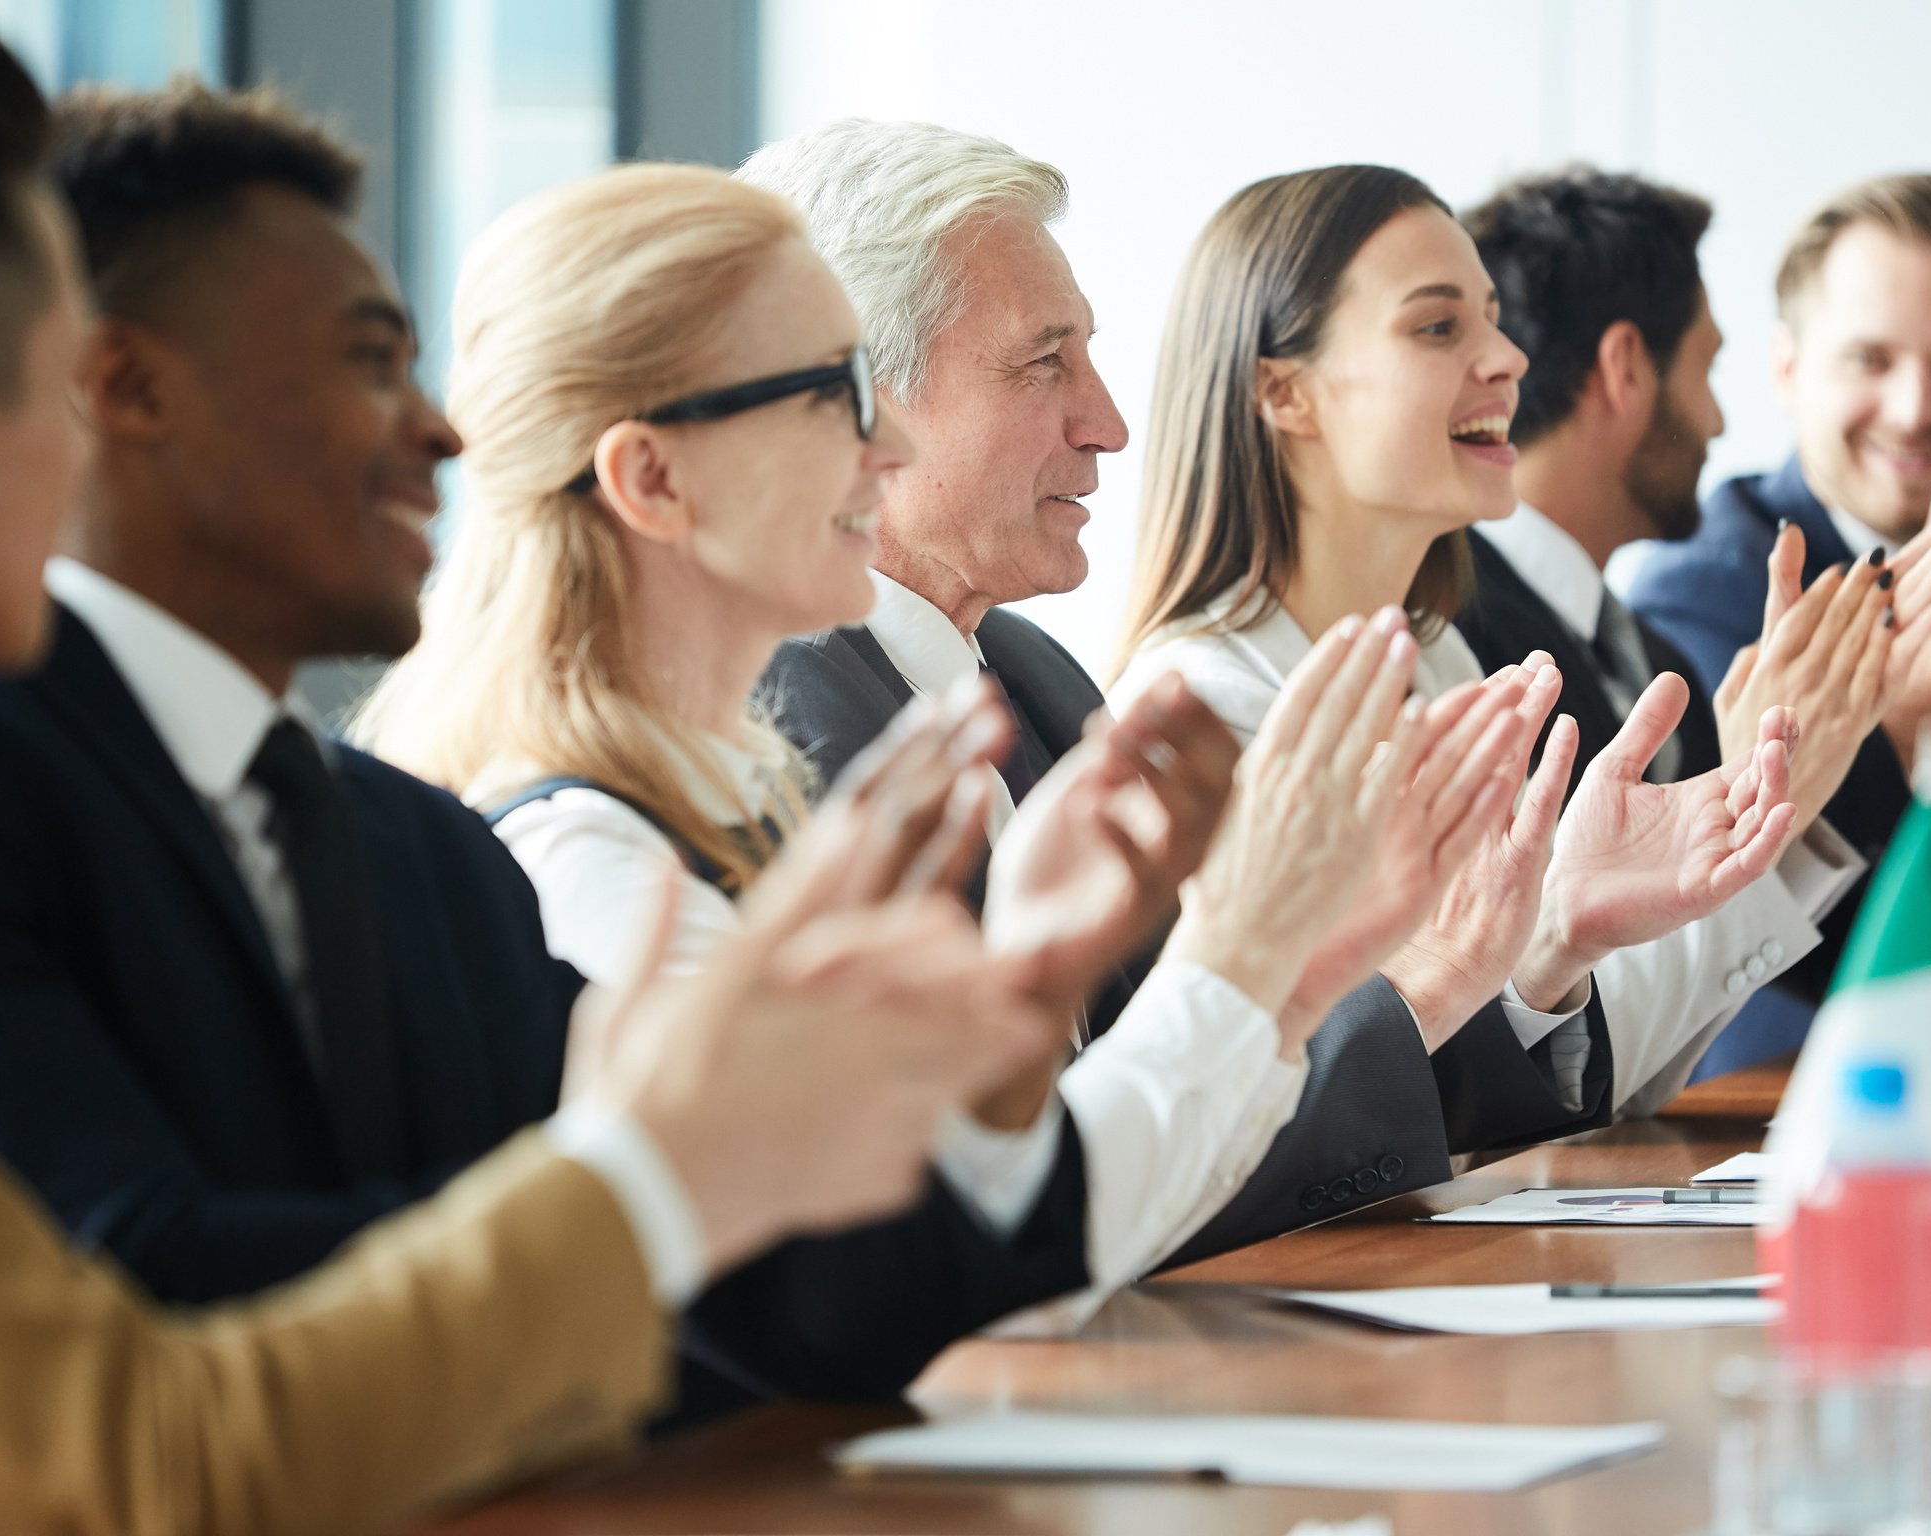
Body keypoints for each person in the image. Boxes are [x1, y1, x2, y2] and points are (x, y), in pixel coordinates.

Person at [0, 10, 1070, 1532]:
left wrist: (997, 1043)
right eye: (368, 361)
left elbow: (777, 1305)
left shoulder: (421, 852)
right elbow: (151, 1354)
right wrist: (660, 1176)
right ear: (113, 392)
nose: (438, 434)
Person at [353, 159, 1532, 1303]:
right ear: (653, 480)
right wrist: (1240, 971)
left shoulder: (953, 707)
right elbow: (937, 1269)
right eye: (832, 396)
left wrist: (1256, 978)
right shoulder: (596, 860)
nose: (889, 450)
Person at [742, 121, 1603, 1255]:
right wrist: (1417, 974)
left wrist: (1476, 963)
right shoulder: (777, 729)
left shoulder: (1034, 674)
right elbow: (1033, 1189)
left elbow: (1200, 1115)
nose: (1106, 423)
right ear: (854, 393)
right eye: (1045, 362)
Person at [1114, 162, 1823, 1115]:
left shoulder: (1447, 663)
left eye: (1492, 319)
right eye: (1439, 326)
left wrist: (1562, 940)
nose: (1508, 359)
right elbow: (1277, 1133)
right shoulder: (1205, 707)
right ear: (1285, 393)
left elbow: (1520, 1104)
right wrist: (1547, 940)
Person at [1623, 172, 1931, 1070]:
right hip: (1751, 1133)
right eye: (1869, 359)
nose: (1915, 409)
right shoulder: (1701, 597)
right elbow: (1774, 938)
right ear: (1786, 372)